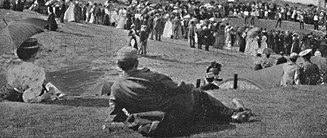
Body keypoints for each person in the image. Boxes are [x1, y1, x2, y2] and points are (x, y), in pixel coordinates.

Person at [108, 47, 252, 129]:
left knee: (200, 106)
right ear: (136, 62)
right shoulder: (151, 77)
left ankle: (235, 112)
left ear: (118, 64)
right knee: (197, 95)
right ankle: (233, 114)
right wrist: (191, 88)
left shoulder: (116, 88)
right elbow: (177, 88)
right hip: (173, 115)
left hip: (154, 119)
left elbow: (115, 114)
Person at [0, 38, 63, 103]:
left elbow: (11, 83)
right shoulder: (37, 70)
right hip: (24, 96)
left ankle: (54, 91)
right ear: (34, 55)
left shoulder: (12, 65)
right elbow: (30, 97)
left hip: (13, 93)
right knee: (47, 89)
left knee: (45, 83)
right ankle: (57, 94)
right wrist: (44, 97)